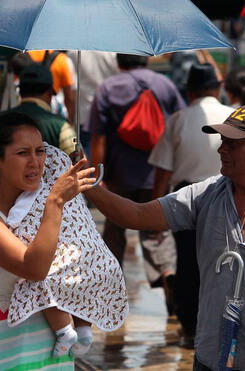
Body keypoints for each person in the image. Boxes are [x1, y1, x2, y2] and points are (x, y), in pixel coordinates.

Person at [84, 104, 245, 370]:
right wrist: (88, 186)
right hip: (212, 355)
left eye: (232, 144)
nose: (222, 150)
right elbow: (135, 215)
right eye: (222, 141)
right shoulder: (206, 194)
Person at [0, 112, 97, 369]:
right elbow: (34, 269)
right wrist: (56, 201)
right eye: (22, 153)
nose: (35, 162)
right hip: (9, 350)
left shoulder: (40, 208)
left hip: (52, 353)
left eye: (40, 151)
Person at [89, 53, 186, 310]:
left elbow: (99, 138)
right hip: (157, 174)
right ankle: (168, 275)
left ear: (119, 62)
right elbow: (179, 127)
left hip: (119, 174)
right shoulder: (166, 86)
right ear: (146, 59)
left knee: (115, 231)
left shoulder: (108, 88)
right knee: (157, 232)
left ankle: (111, 291)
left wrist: (98, 178)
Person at [148, 63, 235, 346]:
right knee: (227, 260)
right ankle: (224, 321)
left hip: (187, 198)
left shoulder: (179, 119)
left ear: (189, 91)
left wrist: (154, 214)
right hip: (230, 194)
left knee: (188, 262)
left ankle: (190, 326)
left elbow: (162, 170)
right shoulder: (234, 115)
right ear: (218, 87)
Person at [7, 64, 77, 157]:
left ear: (20, 91)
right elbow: (77, 163)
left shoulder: (0, 120)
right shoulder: (61, 126)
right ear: (49, 93)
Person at [27, 50, 76, 123]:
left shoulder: (27, 54)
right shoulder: (63, 59)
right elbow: (68, 97)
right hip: (53, 111)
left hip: (29, 108)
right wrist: (71, 121)